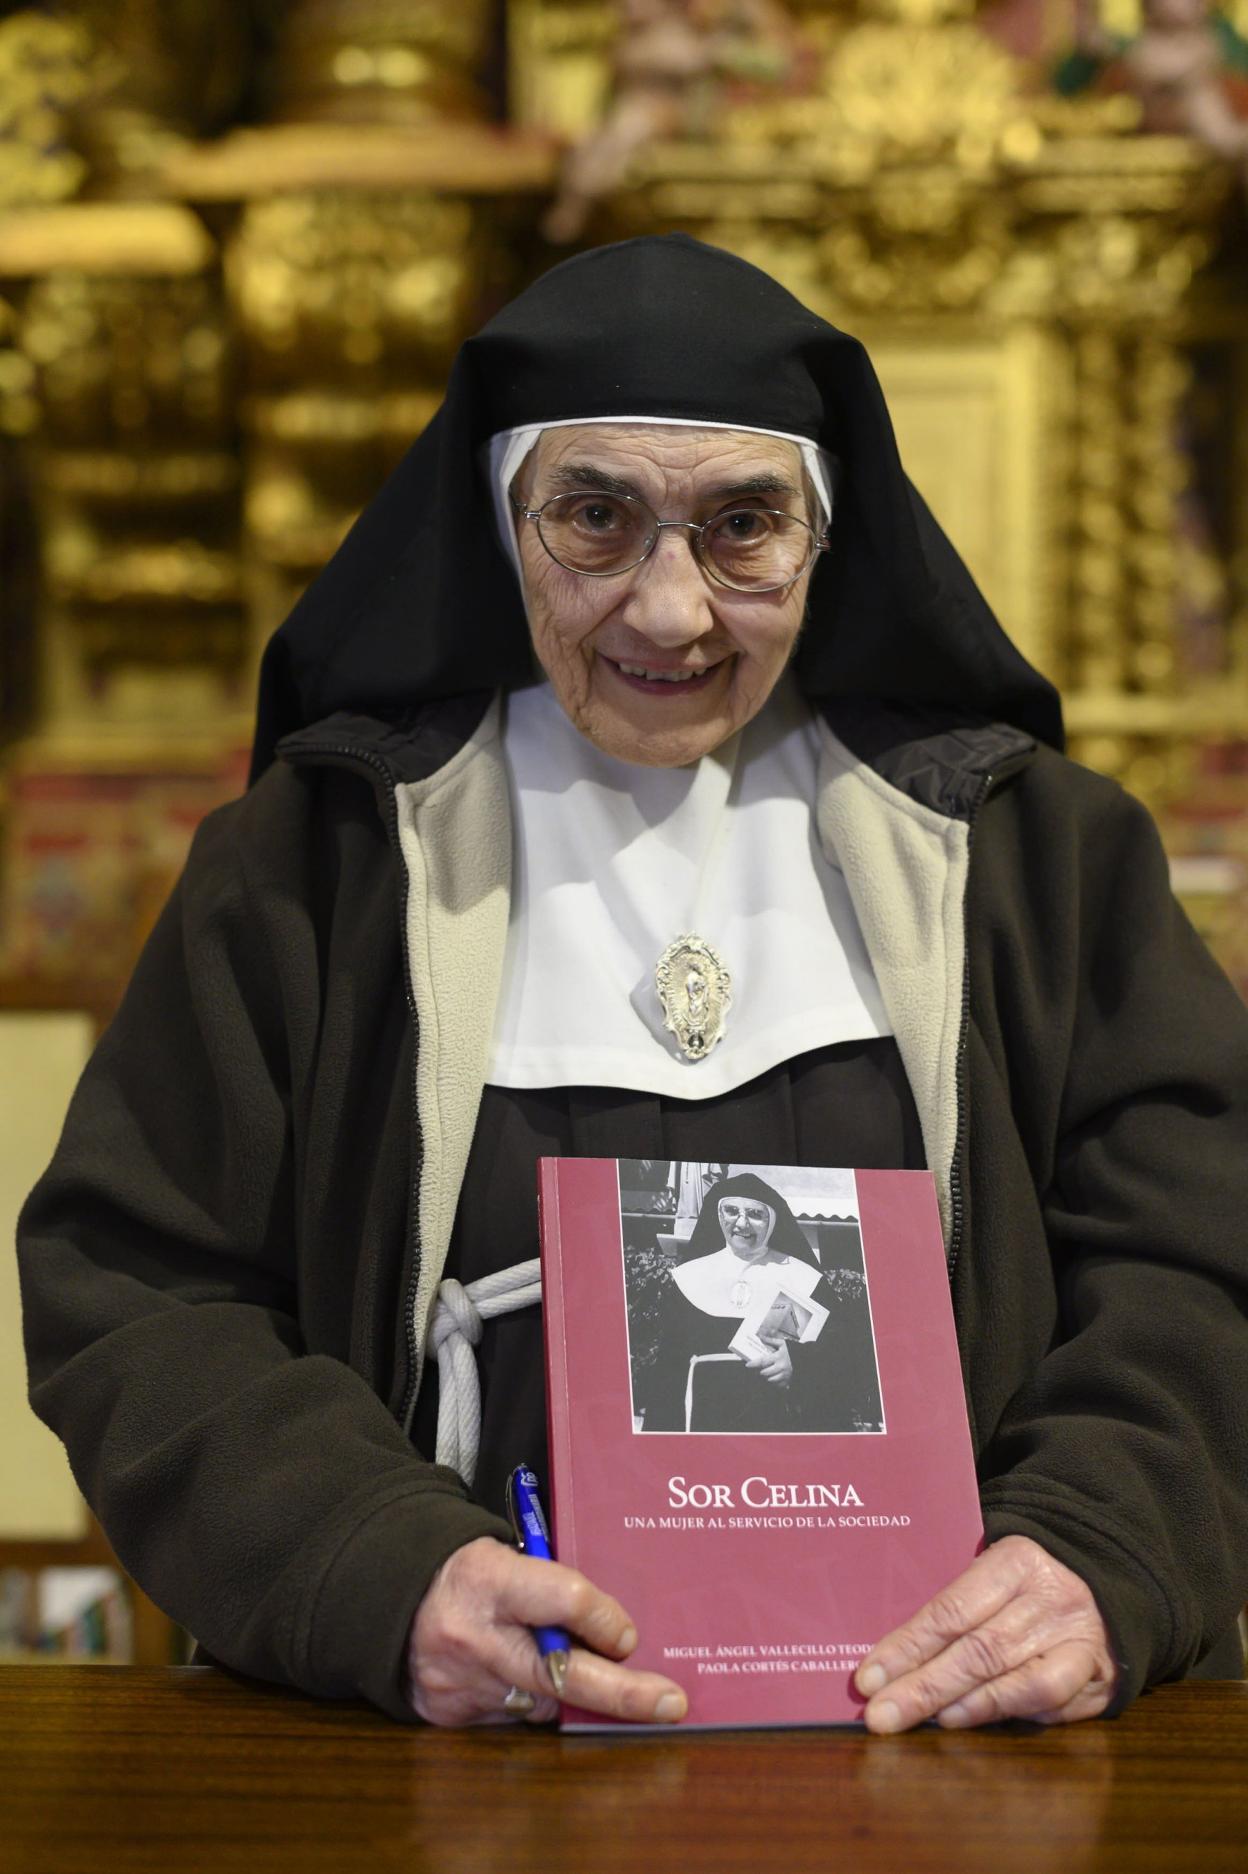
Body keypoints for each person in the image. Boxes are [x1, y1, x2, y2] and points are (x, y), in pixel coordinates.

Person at [16, 236, 1248, 1738]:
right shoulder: (318, 867)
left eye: (744, 528)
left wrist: (1097, 1552)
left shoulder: (1032, 859)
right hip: (443, 1754)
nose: (671, 612)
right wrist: (387, 1578)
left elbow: (1202, 1269)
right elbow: (145, 1294)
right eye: (596, 520)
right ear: (500, 520)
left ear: (828, 535)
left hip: (950, 1744)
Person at [636, 1170, 882, 1433]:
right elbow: (667, 1371)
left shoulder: (803, 1278)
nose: (741, 1224)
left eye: (755, 1214)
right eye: (731, 1211)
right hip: (702, 1420)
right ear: (718, 1215)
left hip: (780, 1420)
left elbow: (848, 1350)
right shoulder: (689, 1278)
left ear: (772, 1222)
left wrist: (801, 1363)